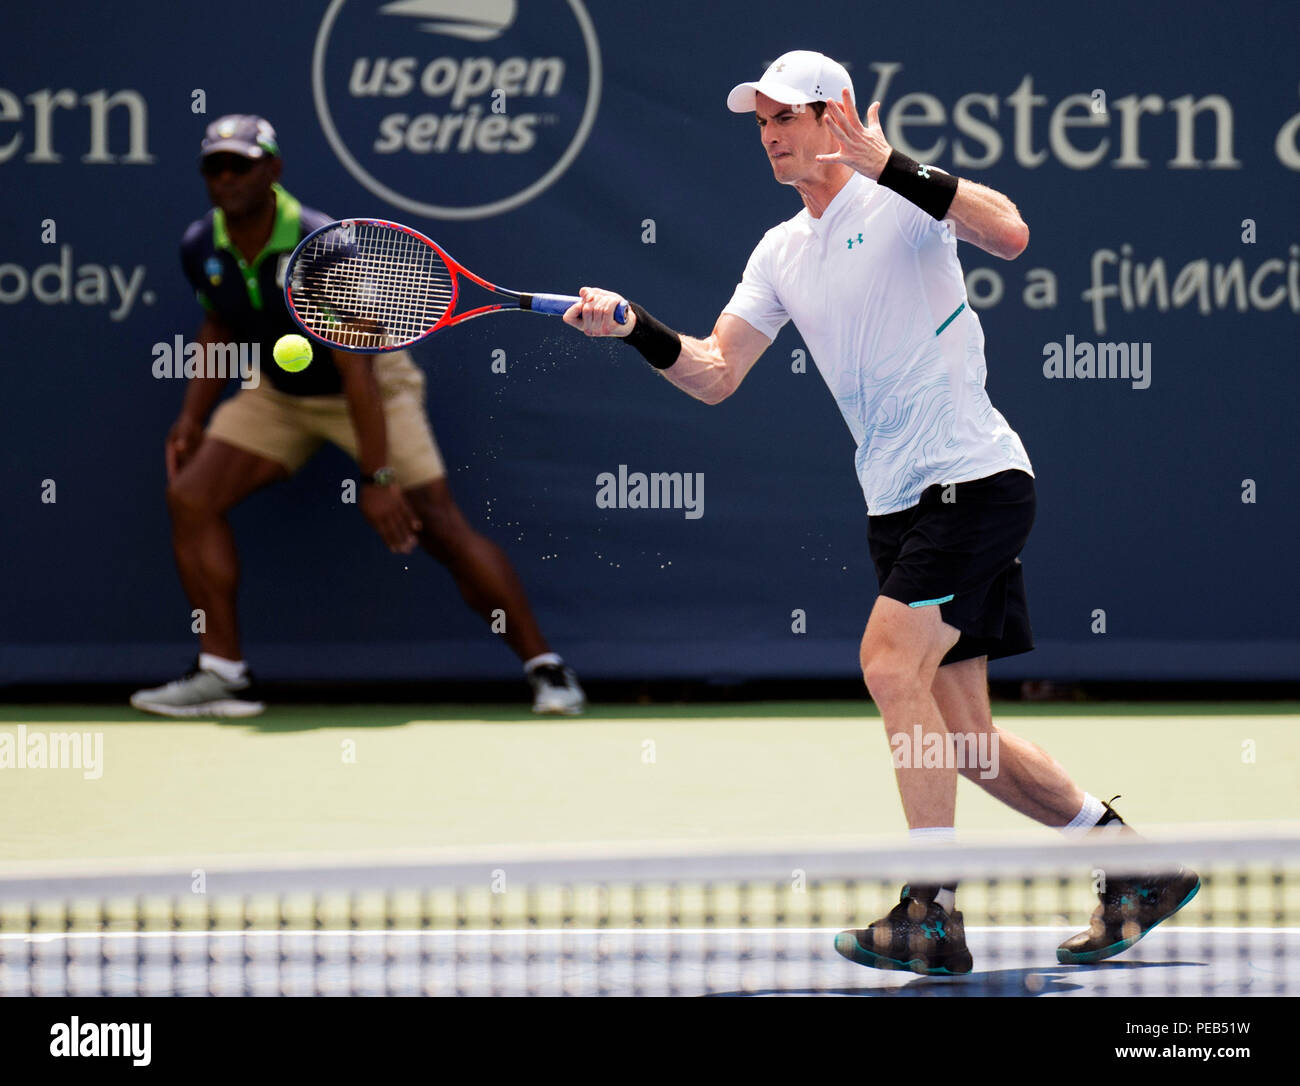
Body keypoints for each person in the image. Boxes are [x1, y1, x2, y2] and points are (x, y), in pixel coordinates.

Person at [561, 52, 1196, 972]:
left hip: (971, 483)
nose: (772, 134)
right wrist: (635, 329)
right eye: (761, 121)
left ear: (837, 112)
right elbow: (715, 374)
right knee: (967, 743)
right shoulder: (779, 250)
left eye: (787, 115)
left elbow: (1012, 233)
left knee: (886, 661)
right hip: (898, 502)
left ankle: (929, 910)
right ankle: (1136, 869)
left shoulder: (899, 197)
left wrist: (889, 162)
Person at [131, 114, 584, 718]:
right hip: (279, 393)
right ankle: (222, 675)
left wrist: (377, 479)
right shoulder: (200, 244)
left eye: (241, 164)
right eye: (215, 167)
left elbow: (358, 371)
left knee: (440, 527)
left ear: (273, 170)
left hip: (371, 387)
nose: (227, 177)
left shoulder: (322, 244)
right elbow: (219, 325)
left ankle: (546, 669)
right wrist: (191, 418)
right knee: (190, 497)